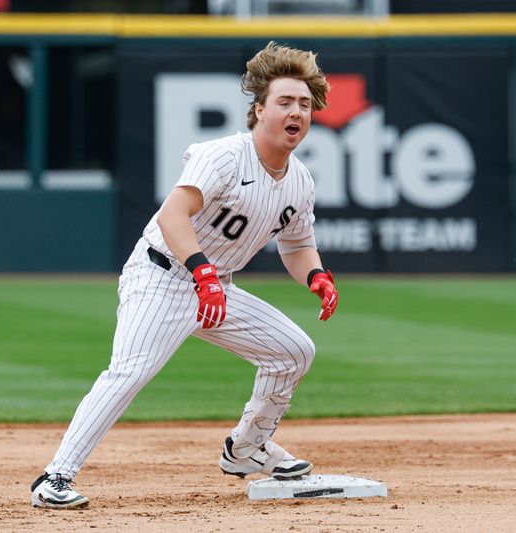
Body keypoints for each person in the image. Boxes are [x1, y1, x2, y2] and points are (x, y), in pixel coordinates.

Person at [30, 41, 338, 509]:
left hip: (216, 287)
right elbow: (174, 215)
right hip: (163, 276)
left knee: (293, 351)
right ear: (259, 110)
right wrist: (204, 273)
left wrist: (316, 276)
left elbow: (296, 246)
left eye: (303, 103)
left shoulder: (299, 179)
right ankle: (54, 477)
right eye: (284, 101)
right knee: (130, 371)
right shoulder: (226, 156)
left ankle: (247, 449)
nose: (296, 111)